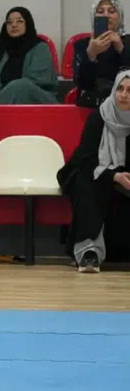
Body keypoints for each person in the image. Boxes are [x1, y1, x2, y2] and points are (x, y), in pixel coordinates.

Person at [58, 69, 130, 273]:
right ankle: (89, 252)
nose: (123, 95)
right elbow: (86, 158)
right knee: (88, 183)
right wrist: (113, 175)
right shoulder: (99, 117)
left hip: (125, 176)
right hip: (91, 170)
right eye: (120, 89)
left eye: (129, 91)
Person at [0, 6, 57, 104]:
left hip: (38, 101)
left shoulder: (39, 47)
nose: (14, 25)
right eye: (9, 22)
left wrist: (12, 89)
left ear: (28, 23)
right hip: (4, 103)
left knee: (20, 86)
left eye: (19, 21)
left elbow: (40, 81)